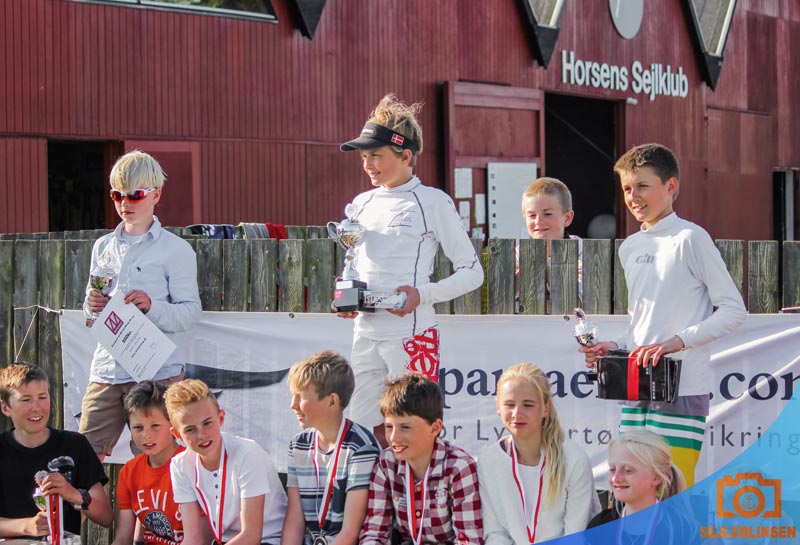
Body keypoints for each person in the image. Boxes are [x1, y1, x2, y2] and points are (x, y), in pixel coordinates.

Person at [579, 143, 747, 486]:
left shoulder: (691, 238)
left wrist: (677, 342)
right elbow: (643, 325)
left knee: (672, 494)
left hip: (682, 389)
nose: (633, 196)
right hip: (635, 387)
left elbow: (734, 310)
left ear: (671, 187)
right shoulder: (630, 247)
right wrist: (615, 346)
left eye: (642, 186)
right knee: (631, 493)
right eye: (627, 188)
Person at [338, 94, 484, 446]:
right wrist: (347, 293)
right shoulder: (361, 203)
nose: (368, 164)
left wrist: (422, 295)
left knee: (413, 431)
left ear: (405, 156)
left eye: (376, 155)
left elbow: (472, 272)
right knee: (358, 430)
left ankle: (420, 499)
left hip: (412, 334)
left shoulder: (432, 201)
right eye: (364, 156)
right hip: (365, 332)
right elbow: (353, 261)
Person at [80, 150, 202, 460]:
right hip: (107, 369)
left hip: (156, 372)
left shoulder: (176, 250)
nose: (125, 203)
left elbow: (190, 313)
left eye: (135, 195)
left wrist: (151, 307)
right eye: (117, 195)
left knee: (159, 461)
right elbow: (90, 310)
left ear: (156, 195)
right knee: (84, 458)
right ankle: (79, 510)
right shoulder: (103, 246)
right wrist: (91, 305)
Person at [477, 363, 599, 544]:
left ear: (546, 407)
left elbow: (575, 536)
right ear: (498, 407)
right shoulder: (487, 461)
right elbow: (495, 533)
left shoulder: (574, 459)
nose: (517, 413)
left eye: (528, 405)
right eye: (509, 404)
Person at [359, 372, 482, 545]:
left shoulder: (459, 467)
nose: (394, 437)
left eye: (405, 427)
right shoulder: (386, 464)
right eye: (389, 427)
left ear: (435, 428)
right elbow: (374, 533)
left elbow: (468, 540)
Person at [166, 379, 287, 545]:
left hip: (269, 540)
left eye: (207, 423)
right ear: (177, 435)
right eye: (190, 429)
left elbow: (251, 536)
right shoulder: (179, 465)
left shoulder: (247, 454)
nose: (201, 435)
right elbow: (192, 538)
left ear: (221, 418)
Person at [0, 364, 113, 538]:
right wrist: (26, 526)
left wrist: (75, 495)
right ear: (5, 408)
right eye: (26, 399)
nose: (36, 407)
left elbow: (106, 517)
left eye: (42, 397)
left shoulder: (75, 445)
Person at [282, 350, 381, 545]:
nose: (293, 405)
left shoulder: (361, 447)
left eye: (301, 396)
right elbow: (295, 519)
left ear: (332, 401)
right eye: (293, 396)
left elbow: (350, 532)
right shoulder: (298, 445)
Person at [586, 431, 694, 545]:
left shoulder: (681, 529)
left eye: (628, 470)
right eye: (612, 469)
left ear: (656, 477)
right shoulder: (600, 527)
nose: (615, 478)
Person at [112, 381, 184, 545]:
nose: (147, 435)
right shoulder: (129, 472)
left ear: (173, 425)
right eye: (138, 427)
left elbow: (201, 538)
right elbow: (123, 538)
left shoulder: (192, 466)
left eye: (155, 426)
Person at [519, 177, 583, 308]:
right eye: (532, 215)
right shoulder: (517, 253)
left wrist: (547, 271)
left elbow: (581, 303)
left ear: (567, 218)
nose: (538, 221)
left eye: (547, 214)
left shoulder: (582, 251)